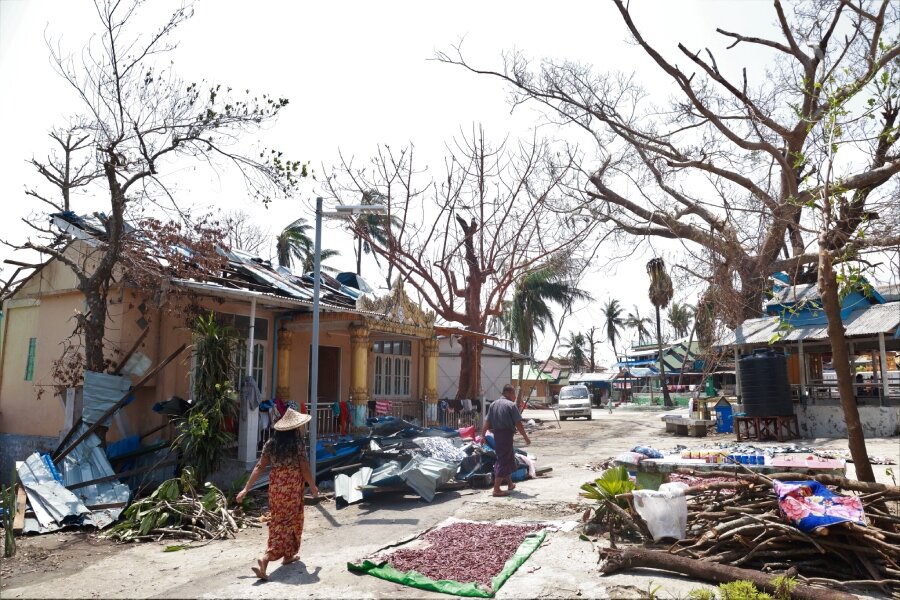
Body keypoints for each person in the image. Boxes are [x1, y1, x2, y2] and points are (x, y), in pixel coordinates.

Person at [236, 408, 318, 580]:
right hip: (292, 489)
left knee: (278, 521)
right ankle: (265, 558)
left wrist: (246, 488)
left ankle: (288, 556)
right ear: (294, 428)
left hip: (275, 488)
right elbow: (304, 468)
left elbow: (259, 467)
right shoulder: (297, 444)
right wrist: (313, 486)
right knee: (292, 522)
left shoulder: (271, 444)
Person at [482, 384, 531, 497]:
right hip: (506, 435)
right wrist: (526, 437)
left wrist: (483, 435)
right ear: (508, 393)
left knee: (508, 458)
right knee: (503, 460)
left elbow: (487, 422)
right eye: (514, 393)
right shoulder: (511, 405)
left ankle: (510, 484)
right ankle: (496, 489)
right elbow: (518, 423)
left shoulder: (493, 404)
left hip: (498, 435)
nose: (515, 396)